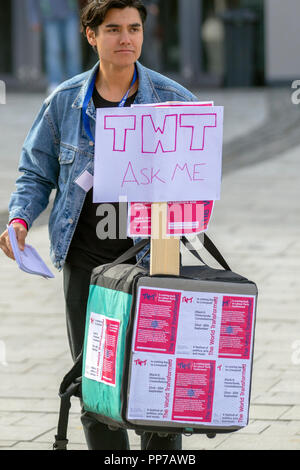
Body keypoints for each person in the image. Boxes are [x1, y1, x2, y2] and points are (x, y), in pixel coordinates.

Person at [0, 0, 198, 450]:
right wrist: (20, 218)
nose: (125, 39)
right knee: (96, 379)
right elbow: (35, 171)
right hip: (85, 261)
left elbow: (198, 180)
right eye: (113, 29)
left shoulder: (174, 101)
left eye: (133, 28)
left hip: (153, 260)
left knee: (154, 381)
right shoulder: (65, 102)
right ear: (91, 36)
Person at [26, 0, 82, 94]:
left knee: (73, 50)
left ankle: (77, 83)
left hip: (70, 13)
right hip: (49, 15)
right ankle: (55, 82)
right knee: (53, 51)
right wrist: (34, 18)